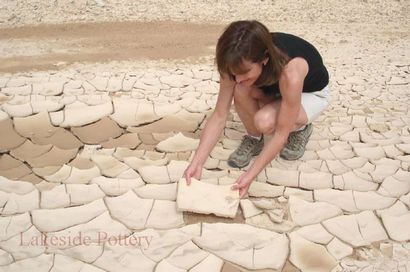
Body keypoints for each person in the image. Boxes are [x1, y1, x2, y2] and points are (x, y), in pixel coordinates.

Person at [183, 20, 330, 198]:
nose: (237, 77)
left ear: (265, 58)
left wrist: (248, 177)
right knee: (240, 88)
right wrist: (196, 163)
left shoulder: (291, 72)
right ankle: (254, 138)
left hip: (310, 93)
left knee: (265, 120)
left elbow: (280, 135)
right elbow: (220, 115)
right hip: (274, 88)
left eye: (244, 71)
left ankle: (301, 129)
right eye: (234, 73)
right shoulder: (233, 63)